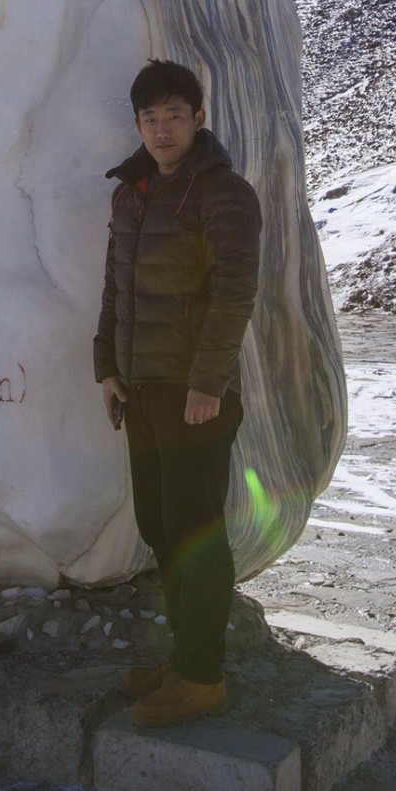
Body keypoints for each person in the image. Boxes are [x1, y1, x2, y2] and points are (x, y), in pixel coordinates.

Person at [94, 58, 261, 727]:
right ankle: (185, 655)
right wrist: (107, 365)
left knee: (196, 531)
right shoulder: (131, 192)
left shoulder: (225, 195)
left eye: (173, 116)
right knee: (161, 528)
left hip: (196, 396)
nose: (160, 130)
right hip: (142, 389)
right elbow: (117, 287)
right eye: (149, 118)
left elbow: (234, 294)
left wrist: (207, 383)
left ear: (199, 118)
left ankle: (202, 678)